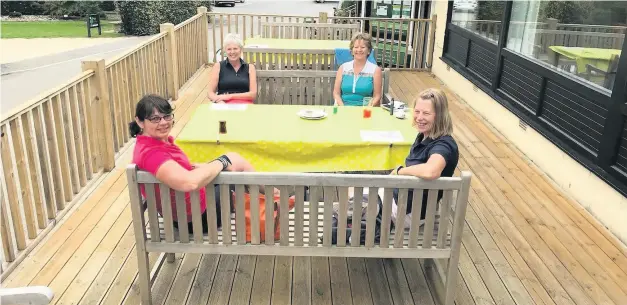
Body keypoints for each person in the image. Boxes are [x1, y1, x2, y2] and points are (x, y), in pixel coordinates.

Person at [129, 94, 256, 233]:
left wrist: (207, 166)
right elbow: (190, 183)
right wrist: (222, 162)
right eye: (155, 119)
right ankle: (274, 199)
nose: (164, 122)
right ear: (140, 122)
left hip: (183, 211)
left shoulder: (149, 145)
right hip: (199, 219)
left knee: (230, 162)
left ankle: (274, 197)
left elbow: (177, 169)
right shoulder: (152, 154)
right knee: (234, 163)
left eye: (167, 116)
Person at [390, 88, 459, 227]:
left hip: (407, 213)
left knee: (353, 201)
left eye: (426, 113)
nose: (419, 117)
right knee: (354, 197)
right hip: (401, 200)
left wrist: (400, 171)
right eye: (417, 111)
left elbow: (431, 171)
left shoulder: (443, 145)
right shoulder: (425, 134)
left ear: (439, 116)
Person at [333, 32, 383, 107]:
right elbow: (336, 93)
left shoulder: (375, 70)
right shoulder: (343, 68)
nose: (359, 50)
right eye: (356, 47)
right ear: (352, 51)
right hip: (343, 108)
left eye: (362, 47)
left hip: (365, 110)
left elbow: (377, 96)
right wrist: (343, 108)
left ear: (369, 51)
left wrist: (368, 107)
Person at [208, 33, 257, 104]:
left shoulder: (250, 67)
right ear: (225, 50)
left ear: (241, 49)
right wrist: (218, 100)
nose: (232, 52)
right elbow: (210, 92)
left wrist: (229, 96)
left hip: (244, 105)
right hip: (223, 104)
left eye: (235, 48)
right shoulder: (218, 66)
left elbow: (253, 94)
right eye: (229, 49)